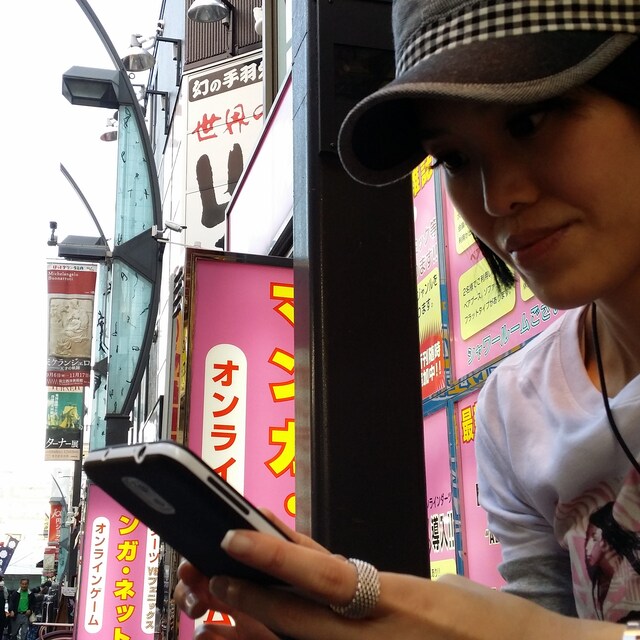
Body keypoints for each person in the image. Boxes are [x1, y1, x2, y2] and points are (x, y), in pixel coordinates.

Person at [174, 0, 640, 638]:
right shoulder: (516, 408)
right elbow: (545, 616)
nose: (497, 196)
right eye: (454, 158)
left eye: (529, 121)